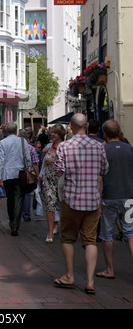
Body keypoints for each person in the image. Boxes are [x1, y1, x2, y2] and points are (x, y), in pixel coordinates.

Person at [54, 113, 109, 294]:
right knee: (90, 241)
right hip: (92, 201)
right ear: (86, 126)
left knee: (68, 238)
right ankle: (90, 282)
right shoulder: (98, 146)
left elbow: (59, 171)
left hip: (71, 200)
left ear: (70, 126)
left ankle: (69, 275)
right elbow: (105, 169)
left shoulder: (64, 146)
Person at [96, 120, 133, 279]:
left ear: (104, 134)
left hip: (109, 197)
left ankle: (109, 269)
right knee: (131, 233)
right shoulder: (130, 149)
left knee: (107, 235)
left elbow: (98, 178)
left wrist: (96, 199)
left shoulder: (102, 151)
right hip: (128, 197)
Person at [0, 121, 32, 236]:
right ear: (16, 130)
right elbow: (27, 157)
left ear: (6, 131)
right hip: (20, 173)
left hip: (7, 174)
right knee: (19, 198)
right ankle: (15, 224)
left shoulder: (3, 142)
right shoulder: (22, 141)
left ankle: (12, 221)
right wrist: (29, 169)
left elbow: (0, 160)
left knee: (10, 199)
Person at [40, 124, 66, 242]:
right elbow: (44, 163)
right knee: (49, 205)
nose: (52, 134)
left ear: (60, 134)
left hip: (62, 181)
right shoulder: (48, 146)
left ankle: (64, 229)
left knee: (63, 206)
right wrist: (41, 174)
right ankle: (50, 232)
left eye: (55, 132)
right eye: (52, 132)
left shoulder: (66, 147)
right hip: (48, 180)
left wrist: (54, 160)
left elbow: (69, 162)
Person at [18, 129, 39, 222]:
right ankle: (26, 215)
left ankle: (17, 214)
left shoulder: (15, 147)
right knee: (26, 194)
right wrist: (37, 175)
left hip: (16, 173)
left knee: (17, 194)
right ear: (27, 138)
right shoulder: (31, 148)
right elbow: (35, 163)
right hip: (27, 173)